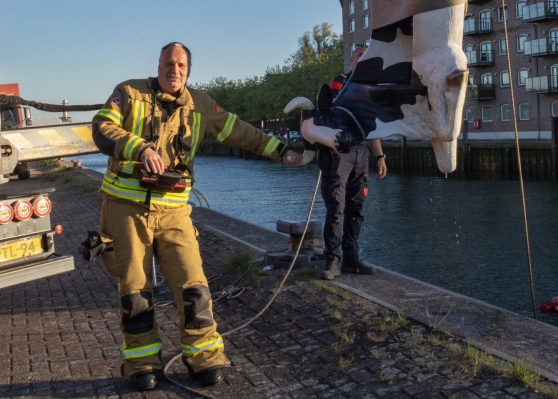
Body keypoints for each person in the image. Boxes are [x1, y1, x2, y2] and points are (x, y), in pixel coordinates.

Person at [91, 42, 303, 391]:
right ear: (158, 65)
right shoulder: (128, 93)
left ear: (188, 71)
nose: (174, 70)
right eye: (168, 63)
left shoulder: (200, 106)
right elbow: (102, 128)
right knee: (135, 291)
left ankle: (203, 356)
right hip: (125, 209)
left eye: (181, 65)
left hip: (174, 211)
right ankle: (142, 363)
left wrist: (280, 151)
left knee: (194, 286)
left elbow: (240, 131)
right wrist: (140, 147)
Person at [318, 44, 388, 281]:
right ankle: (332, 259)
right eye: (360, 55)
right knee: (336, 209)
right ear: (351, 60)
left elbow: (372, 126)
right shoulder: (339, 83)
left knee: (356, 208)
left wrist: (380, 156)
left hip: (361, 153)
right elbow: (335, 113)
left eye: (367, 56)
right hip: (339, 152)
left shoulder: (372, 88)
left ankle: (351, 258)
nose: (363, 59)